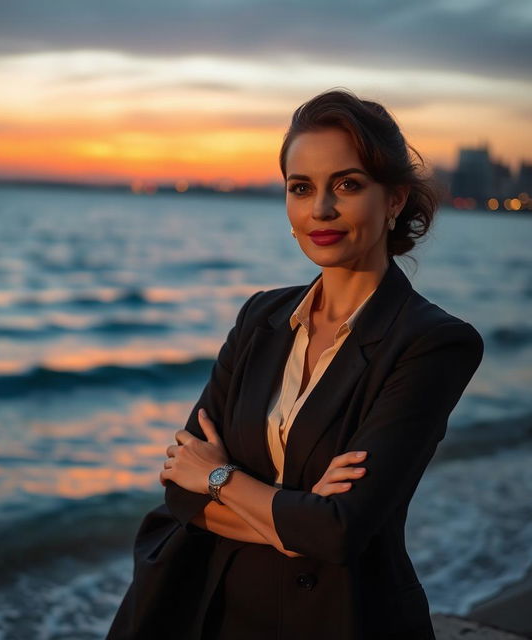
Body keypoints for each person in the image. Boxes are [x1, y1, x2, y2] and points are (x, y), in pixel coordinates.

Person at [106, 88, 484, 640]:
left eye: (348, 185)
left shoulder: (434, 343)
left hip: (342, 618)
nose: (320, 210)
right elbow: (178, 488)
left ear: (396, 200)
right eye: (300, 188)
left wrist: (220, 477)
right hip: (213, 613)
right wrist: (290, 519)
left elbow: (337, 533)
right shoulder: (261, 315)